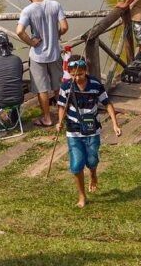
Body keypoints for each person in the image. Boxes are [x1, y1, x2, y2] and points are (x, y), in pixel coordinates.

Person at [55, 55, 121, 208]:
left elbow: (108, 104)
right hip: (73, 131)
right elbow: (61, 107)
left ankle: (93, 174)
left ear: (86, 71)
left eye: (80, 74)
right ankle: (82, 196)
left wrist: (115, 124)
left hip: (92, 130)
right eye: (73, 75)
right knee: (77, 164)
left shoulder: (96, 85)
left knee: (92, 161)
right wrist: (59, 122)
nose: (77, 78)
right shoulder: (66, 87)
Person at [15, 0, 68, 128]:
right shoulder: (55, 5)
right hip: (55, 53)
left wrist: (31, 43)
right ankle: (62, 117)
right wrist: (56, 34)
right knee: (58, 86)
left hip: (37, 56)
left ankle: (47, 118)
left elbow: (19, 31)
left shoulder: (27, 10)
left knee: (42, 88)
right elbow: (64, 27)